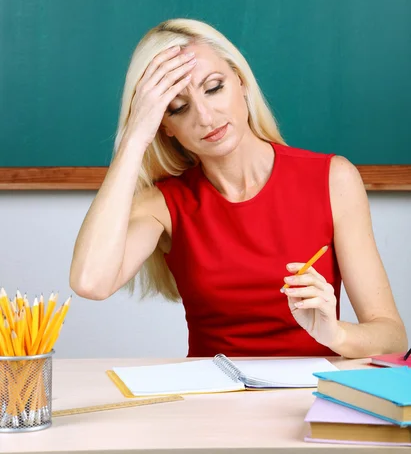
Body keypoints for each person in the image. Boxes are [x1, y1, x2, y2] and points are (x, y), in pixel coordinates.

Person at [70, 19, 407, 358]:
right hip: (213, 401)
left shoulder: (333, 178)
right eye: (178, 108)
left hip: (311, 395)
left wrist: (335, 334)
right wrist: (134, 138)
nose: (205, 116)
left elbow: (392, 338)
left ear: (241, 83)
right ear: (164, 127)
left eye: (214, 87)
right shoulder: (162, 203)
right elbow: (91, 282)